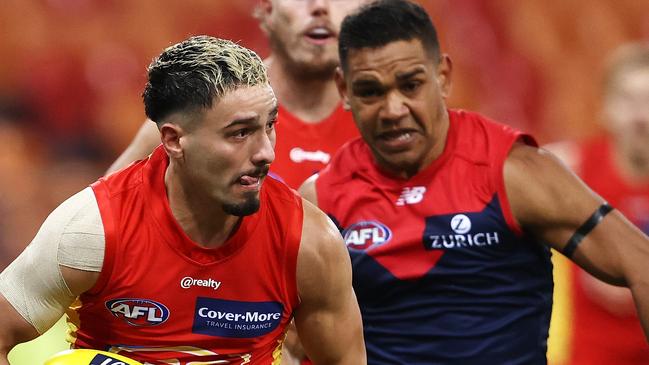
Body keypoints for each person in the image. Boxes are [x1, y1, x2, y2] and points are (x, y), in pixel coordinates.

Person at [297, 1, 649, 363]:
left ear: (443, 76)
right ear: (343, 90)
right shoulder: (322, 200)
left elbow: (639, 262)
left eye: (411, 85)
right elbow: (294, 338)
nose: (393, 109)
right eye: (371, 91)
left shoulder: (512, 172)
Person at [0, 35, 365, 365]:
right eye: (240, 133)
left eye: (269, 125)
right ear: (174, 140)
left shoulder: (310, 242)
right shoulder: (92, 228)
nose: (266, 152)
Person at [107, 0, 367, 189]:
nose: (320, 6)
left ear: (367, 9)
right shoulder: (200, 106)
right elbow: (97, 218)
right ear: (267, 8)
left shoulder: (389, 115)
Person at [547, 43, 649, 365]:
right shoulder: (571, 168)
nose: (642, 116)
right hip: (593, 354)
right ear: (605, 107)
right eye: (629, 100)